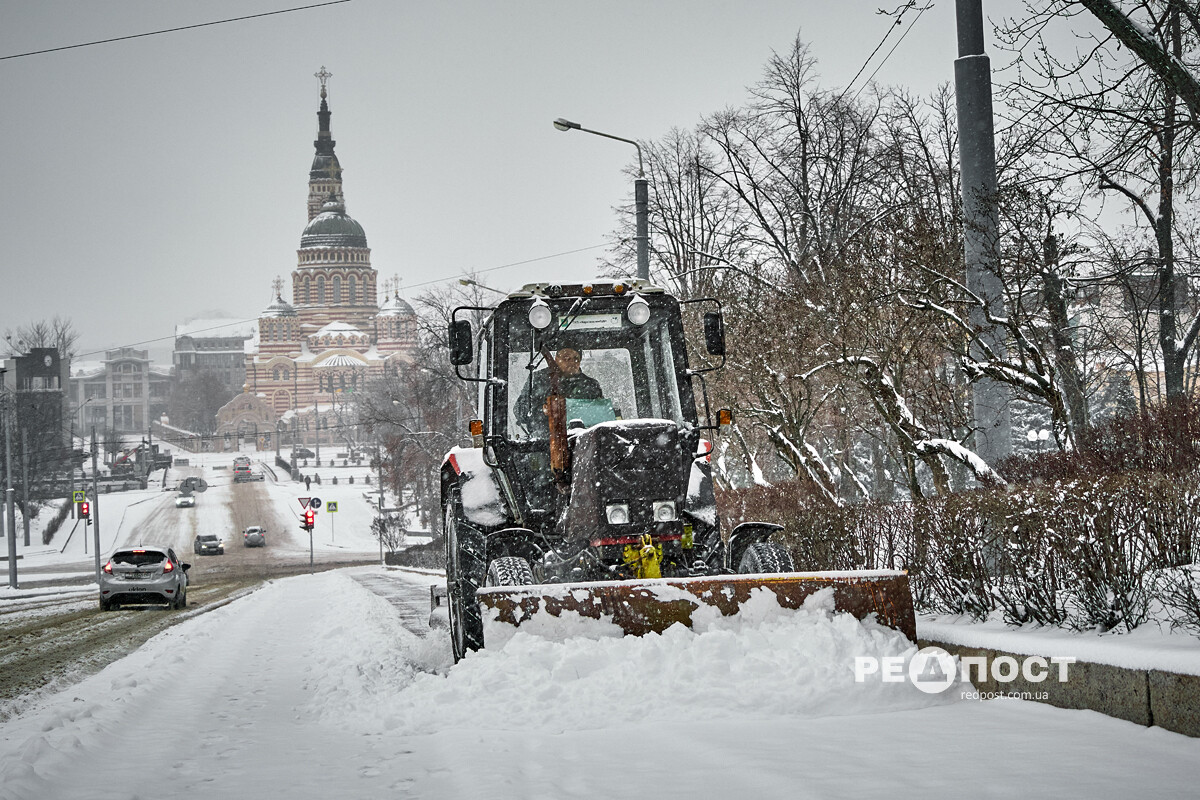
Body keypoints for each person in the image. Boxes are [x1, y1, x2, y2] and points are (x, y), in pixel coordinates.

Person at [514, 347, 603, 435]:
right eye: (566, 358)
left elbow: (601, 415)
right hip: (544, 442)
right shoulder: (538, 379)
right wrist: (542, 410)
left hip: (582, 441)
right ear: (556, 359)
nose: (572, 362)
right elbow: (519, 411)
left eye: (576, 358)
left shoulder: (591, 385)